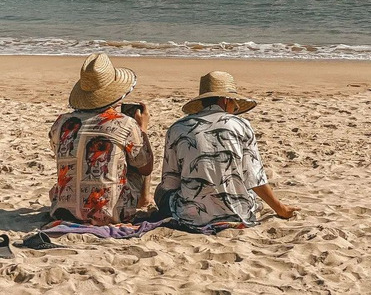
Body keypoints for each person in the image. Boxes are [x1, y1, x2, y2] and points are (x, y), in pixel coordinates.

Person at [155, 70, 299, 226]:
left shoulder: (177, 128)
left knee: (160, 192)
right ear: (225, 100)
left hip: (190, 216)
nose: (235, 108)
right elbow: (254, 177)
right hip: (236, 212)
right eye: (234, 104)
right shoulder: (242, 126)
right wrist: (280, 208)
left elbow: (170, 183)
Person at [49, 53, 153, 225]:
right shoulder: (125, 123)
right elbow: (146, 167)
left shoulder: (61, 122)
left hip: (64, 211)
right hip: (111, 214)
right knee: (135, 158)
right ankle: (144, 200)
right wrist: (142, 130)